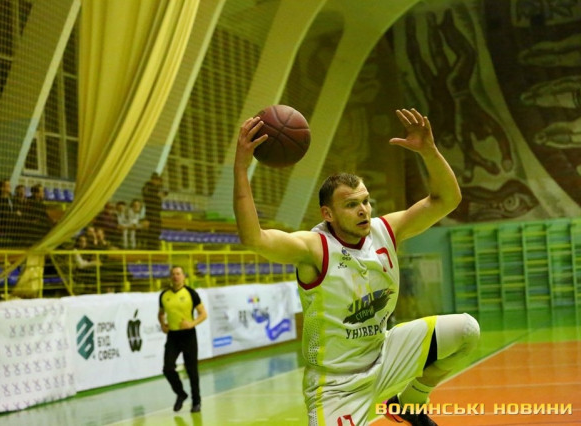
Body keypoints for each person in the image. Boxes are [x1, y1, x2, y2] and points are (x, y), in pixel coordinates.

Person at [233, 109, 480, 426]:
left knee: (466, 331)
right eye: (351, 205)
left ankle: (410, 403)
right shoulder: (314, 248)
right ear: (328, 214)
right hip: (336, 384)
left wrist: (429, 151)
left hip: (385, 354)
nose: (363, 210)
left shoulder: (385, 230)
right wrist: (241, 167)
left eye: (365, 201)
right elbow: (254, 238)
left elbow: (446, 200)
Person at [158, 266, 207, 413]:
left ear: (183, 276)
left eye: (178, 274)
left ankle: (196, 402)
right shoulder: (164, 295)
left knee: (191, 370)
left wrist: (191, 324)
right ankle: (181, 393)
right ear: (170, 277)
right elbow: (161, 313)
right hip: (173, 336)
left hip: (188, 335)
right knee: (167, 368)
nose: (175, 276)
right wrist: (163, 324)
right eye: (173, 274)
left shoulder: (191, 293)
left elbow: (203, 314)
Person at [142, 172, 167, 249]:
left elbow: (165, 192)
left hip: (157, 212)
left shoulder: (159, 188)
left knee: (157, 230)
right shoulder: (147, 187)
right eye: (156, 180)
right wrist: (157, 195)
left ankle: (156, 246)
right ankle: (151, 247)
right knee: (151, 231)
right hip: (150, 212)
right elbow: (147, 197)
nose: (157, 182)